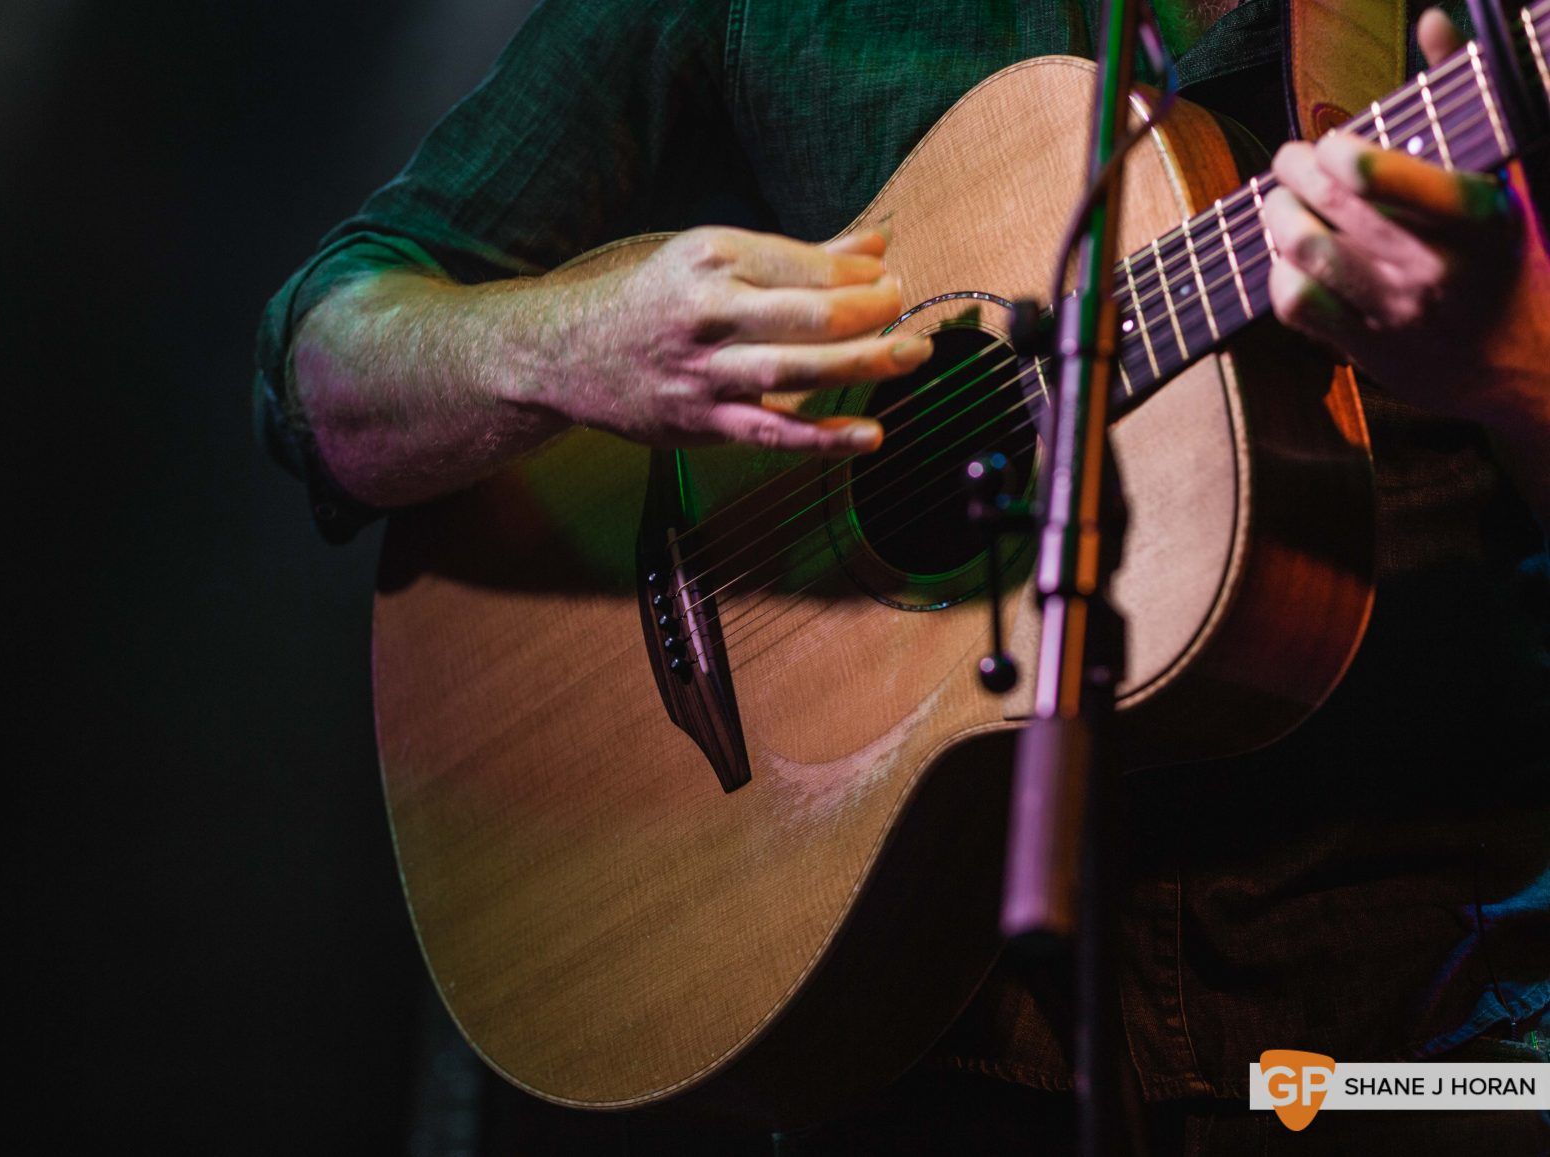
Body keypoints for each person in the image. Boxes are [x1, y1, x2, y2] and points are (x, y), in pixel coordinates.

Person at [256, 0, 1550, 1150]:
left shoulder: (1468, 36)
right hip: (927, 1046)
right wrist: (578, 342)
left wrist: (1513, 366)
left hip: (1413, 1022)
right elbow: (327, 366)